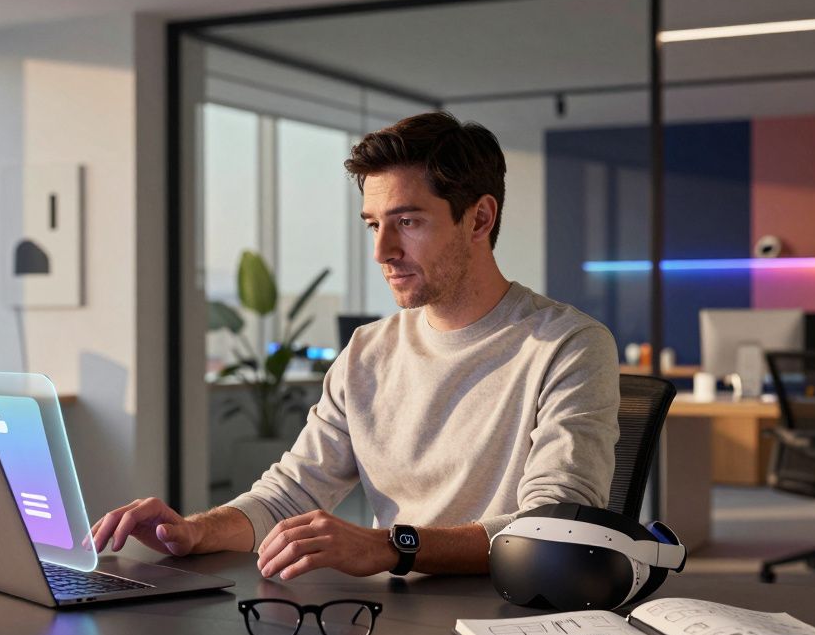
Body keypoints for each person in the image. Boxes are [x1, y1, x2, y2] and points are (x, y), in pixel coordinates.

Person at [93, 110, 619, 582]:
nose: (383, 251)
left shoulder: (567, 346)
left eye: (407, 222)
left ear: (479, 218)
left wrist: (391, 547)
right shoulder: (367, 352)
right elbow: (292, 493)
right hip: (385, 624)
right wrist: (194, 531)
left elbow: (554, 527)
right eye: (373, 225)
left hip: (503, 624)